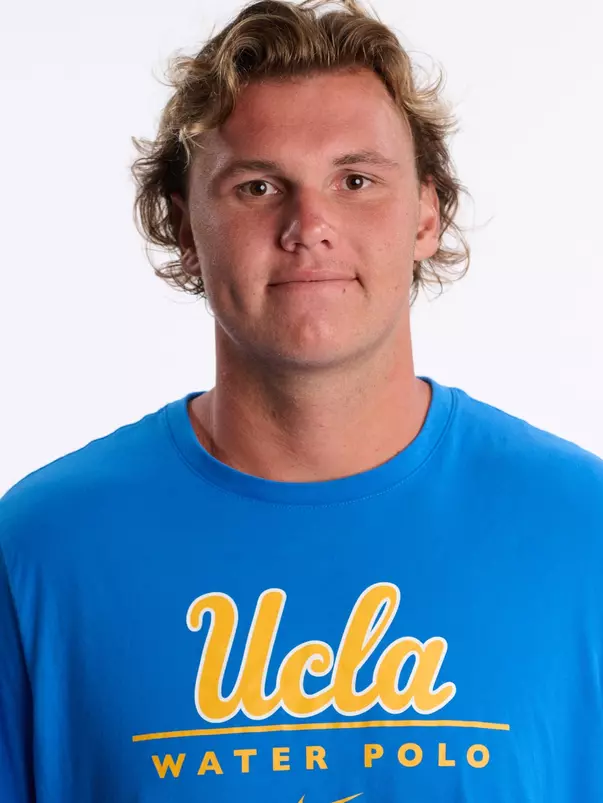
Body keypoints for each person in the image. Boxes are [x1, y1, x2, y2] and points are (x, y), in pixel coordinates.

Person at [1, 0, 602, 800]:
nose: (307, 224)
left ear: (427, 212)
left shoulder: (578, 531)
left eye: (355, 180)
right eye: (256, 186)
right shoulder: (44, 548)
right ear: (184, 224)